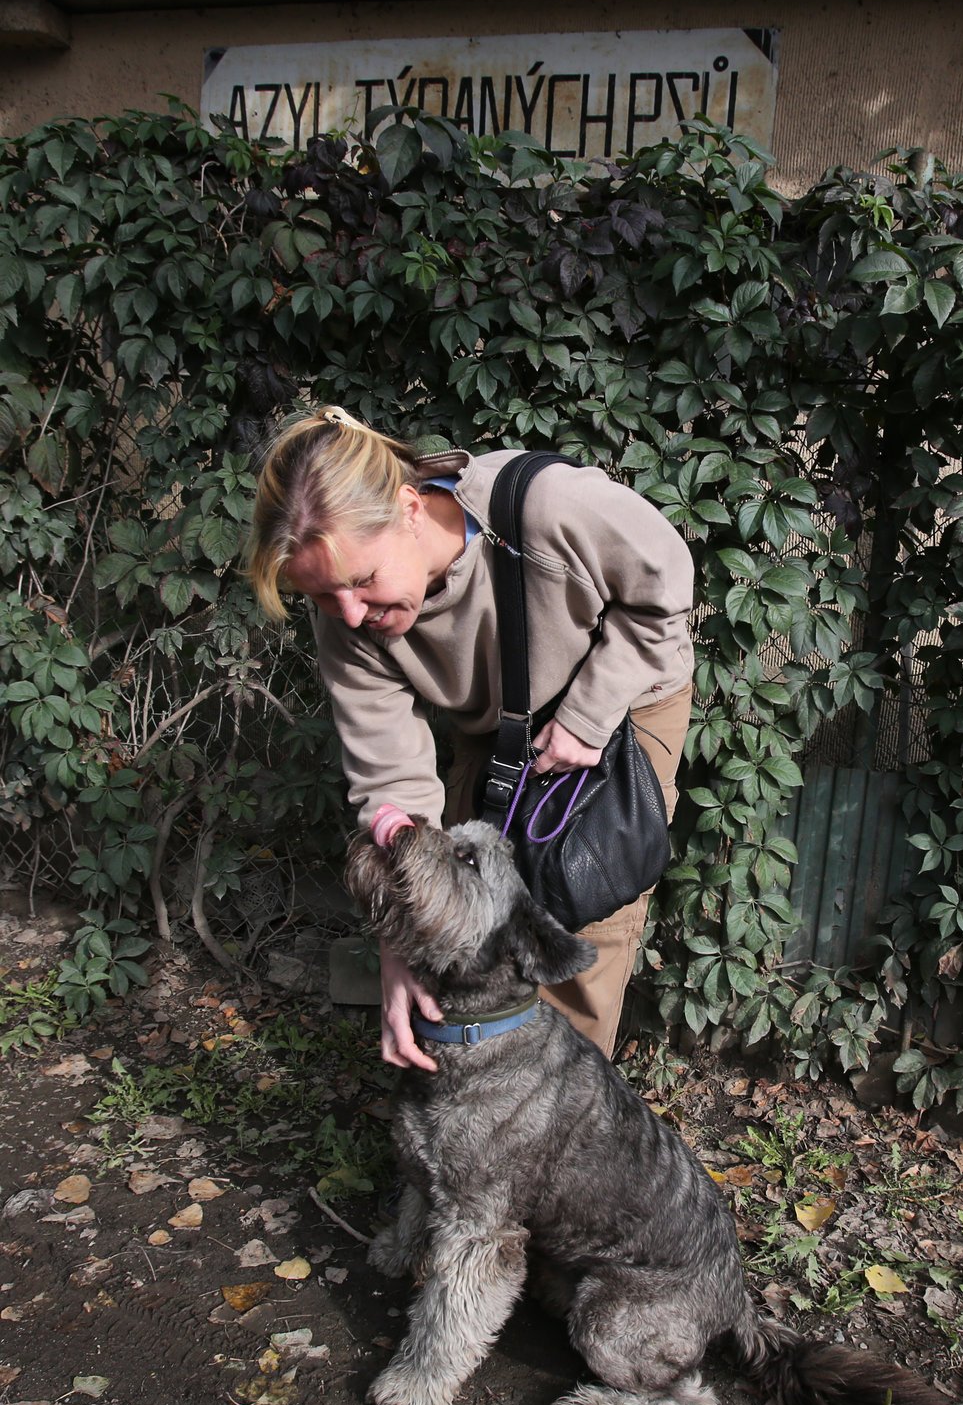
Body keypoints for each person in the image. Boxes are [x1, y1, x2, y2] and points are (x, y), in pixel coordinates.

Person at [247, 406, 694, 1070]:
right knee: (460, 913)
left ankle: (557, 1124)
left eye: (363, 581)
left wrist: (588, 717)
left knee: (578, 910)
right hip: (496, 719)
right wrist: (401, 946)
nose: (348, 615)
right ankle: (477, 1113)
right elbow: (392, 786)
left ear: (408, 507)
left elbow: (665, 589)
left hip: (623, 698)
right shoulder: (348, 613)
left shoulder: (549, 508)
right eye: (321, 598)